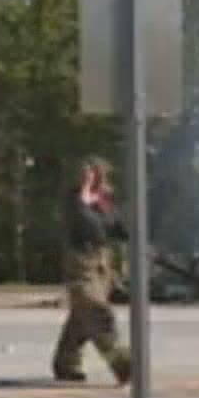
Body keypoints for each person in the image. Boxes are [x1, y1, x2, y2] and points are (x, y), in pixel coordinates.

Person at [53, 157, 131, 384]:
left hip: (102, 267)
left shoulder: (103, 202)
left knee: (81, 318)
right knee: (97, 313)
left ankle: (66, 362)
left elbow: (117, 228)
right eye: (84, 173)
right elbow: (90, 227)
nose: (89, 177)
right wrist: (85, 196)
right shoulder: (73, 203)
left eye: (93, 173)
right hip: (81, 268)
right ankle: (122, 364)